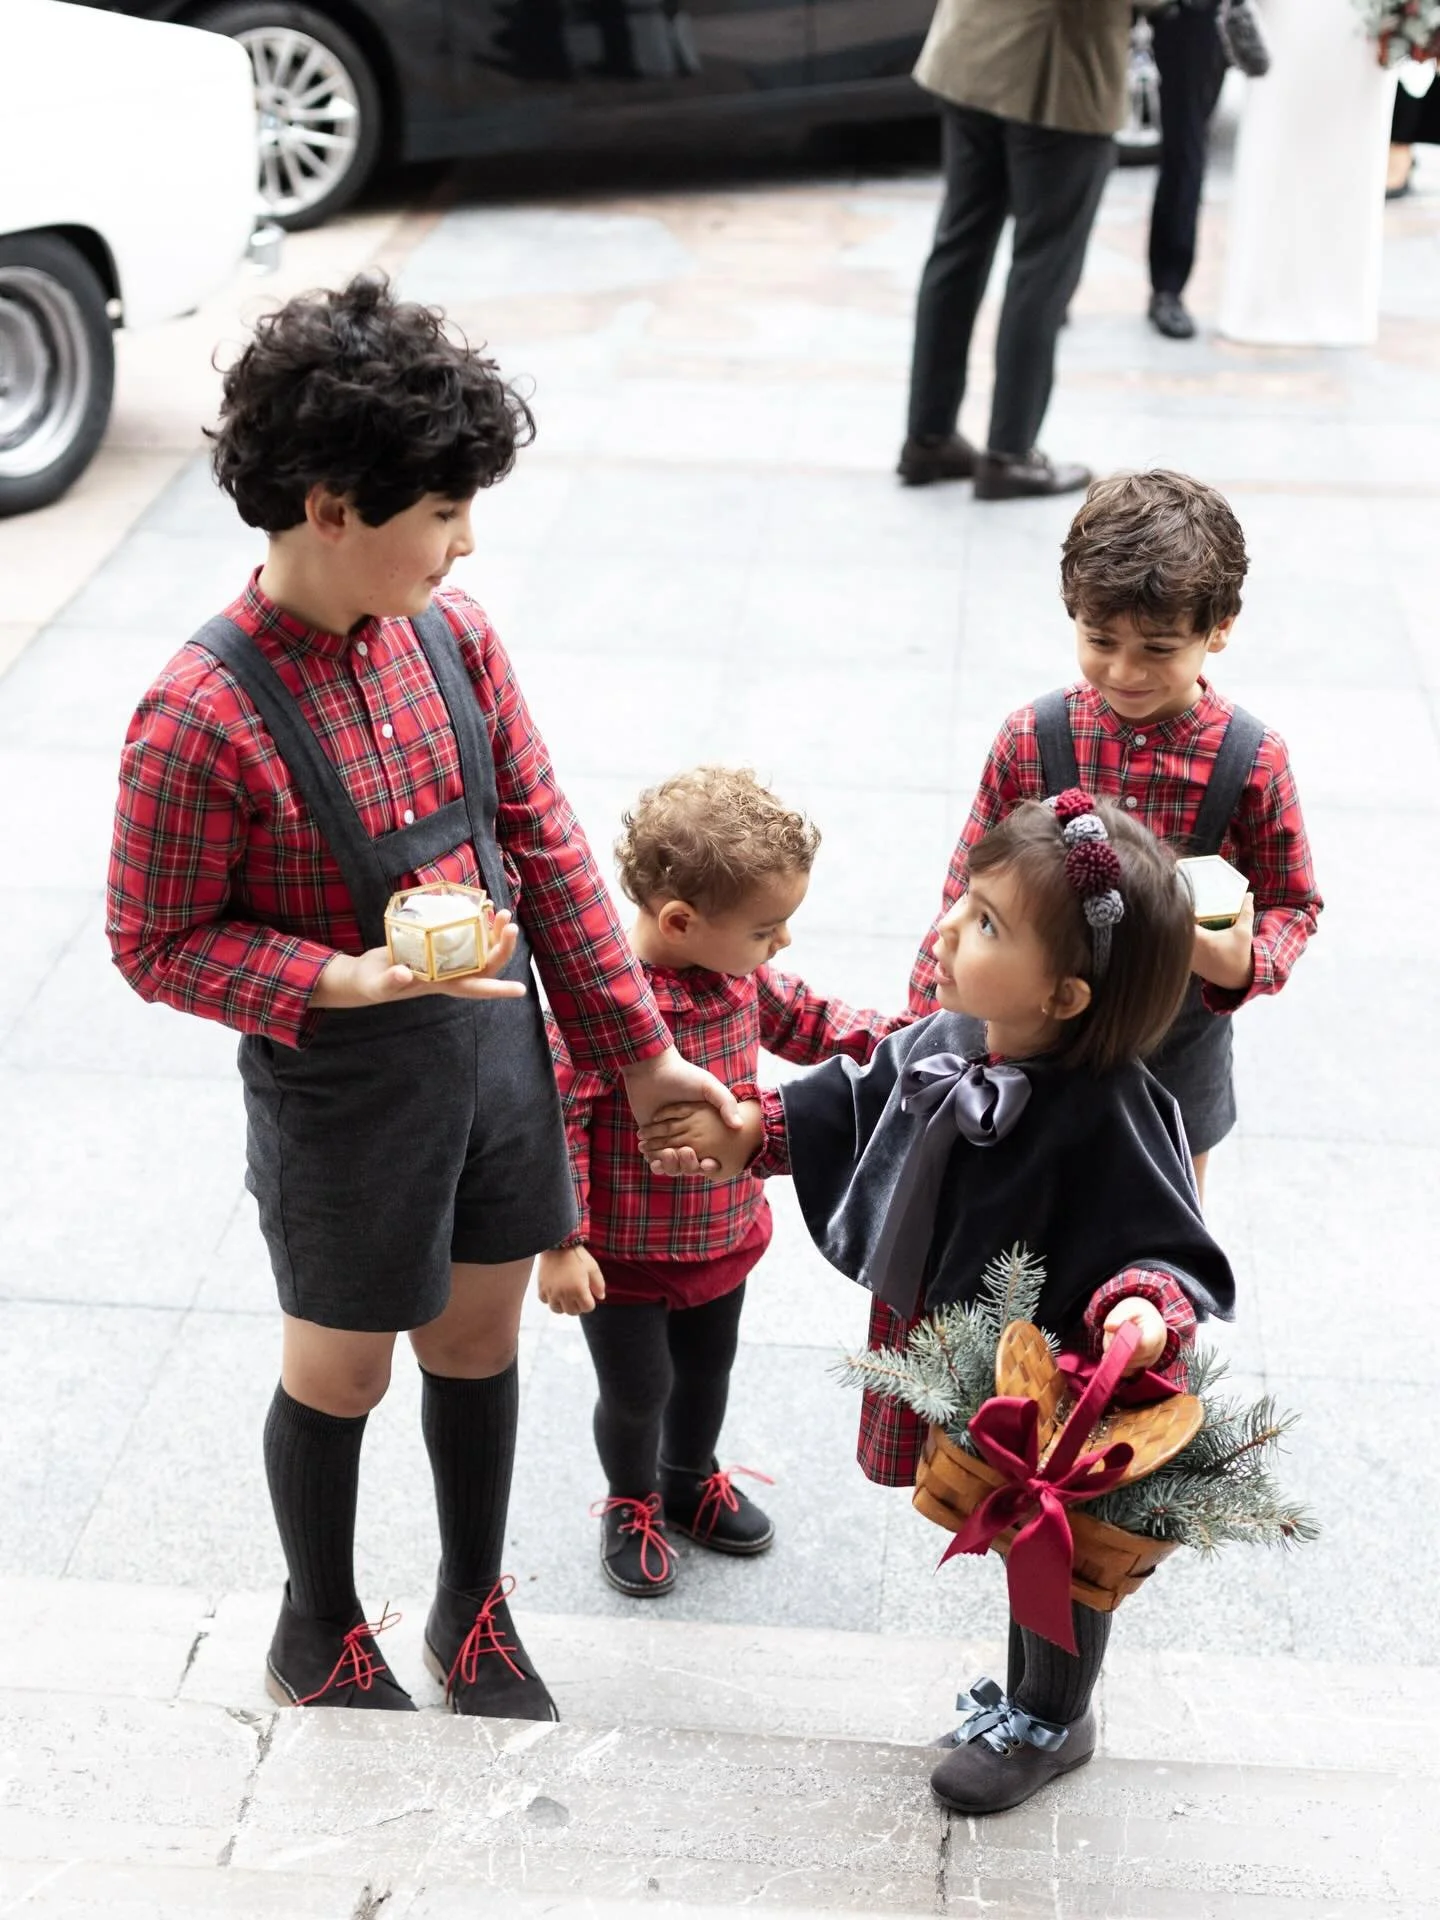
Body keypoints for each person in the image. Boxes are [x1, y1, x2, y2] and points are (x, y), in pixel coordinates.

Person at [105, 275, 740, 1720]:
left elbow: (553, 852)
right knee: (343, 1374)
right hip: (340, 1092)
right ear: (332, 508)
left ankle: (472, 1605)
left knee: (477, 1343)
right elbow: (153, 940)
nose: (465, 543)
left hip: (499, 1067)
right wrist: (331, 974)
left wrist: (636, 1062)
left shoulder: (458, 643)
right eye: (443, 513)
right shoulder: (199, 713)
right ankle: (315, 1620)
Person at [639, 796, 1236, 1814]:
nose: (952, 925)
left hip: (1046, 1389)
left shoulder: (1113, 1107)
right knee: (1003, 1530)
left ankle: (1052, 1718)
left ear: (1065, 994)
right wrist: (750, 1134)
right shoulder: (952, 1038)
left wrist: (1140, 1311)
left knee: (1052, 1538)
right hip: (946, 1345)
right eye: (968, 899)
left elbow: (1167, 1248)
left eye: (992, 924)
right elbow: (856, 1097)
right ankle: (1027, 1697)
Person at [908, 469, 1320, 1203]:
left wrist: (1243, 963)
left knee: (1161, 1223)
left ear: (1218, 628)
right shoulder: (1034, 737)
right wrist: (929, 1021)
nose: (1124, 670)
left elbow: (1294, 902)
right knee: (1022, 1220)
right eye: (1100, 640)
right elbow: (968, 886)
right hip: (1037, 1029)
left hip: (1180, 1044)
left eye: (1158, 649)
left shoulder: (1252, 760)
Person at [538, 767, 900, 1596]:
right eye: (768, 929)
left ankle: (690, 1478)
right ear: (680, 921)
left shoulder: (738, 974)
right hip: (622, 1258)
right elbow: (557, 1129)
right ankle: (632, 1500)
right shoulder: (601, 1010)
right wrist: (561, 1243)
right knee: (637, 1391)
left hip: (720, 1235)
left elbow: (811, 1020)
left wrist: (908, 1041)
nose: (782, 945)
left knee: (707, 1372)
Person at [896, 0, 1138, 501]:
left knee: (959, 246)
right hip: (1058, 73)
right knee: (1044, 265)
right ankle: (1010, 454)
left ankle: (929, 436)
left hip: (972, 47)